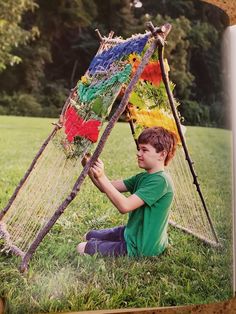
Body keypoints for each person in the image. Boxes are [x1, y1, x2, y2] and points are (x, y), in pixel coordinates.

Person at [77, 126, 177, 257]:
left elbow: (124, 206)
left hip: (140, 246)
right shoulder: (143, 177)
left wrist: (102, 176)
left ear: (162, 154)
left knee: (81, 247)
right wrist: (90, 169)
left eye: (144, 150)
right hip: (131, 233)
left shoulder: (161, 181)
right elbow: (104, 187)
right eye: (139, 149)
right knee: (88, 236)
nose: (138, 153)